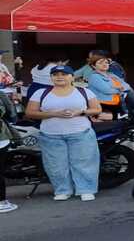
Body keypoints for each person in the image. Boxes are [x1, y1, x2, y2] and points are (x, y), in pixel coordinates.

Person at [24, 65, 102, 201]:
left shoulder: (84, 91)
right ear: (51, 77)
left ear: (72, 77)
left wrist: (80, 112)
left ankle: (86, 189)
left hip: (81, 133)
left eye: (64, 74)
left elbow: (96, 109)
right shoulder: (41, 93)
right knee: (55, 165)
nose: (59, 77)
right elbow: (30, 113)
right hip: (50, 135)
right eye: (55, 74)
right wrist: (54, 114)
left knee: (84, 162)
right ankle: (62, 190)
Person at [84, 53, 130, 118]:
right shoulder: (94, 77)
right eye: (100, 63)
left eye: (106, 62)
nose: (104, 64)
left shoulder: (111, 75)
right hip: (104, 104)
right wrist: (120, 89)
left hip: (118, 102)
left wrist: (118, 88)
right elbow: (107, 90)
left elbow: (127, 86)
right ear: (93, 66)